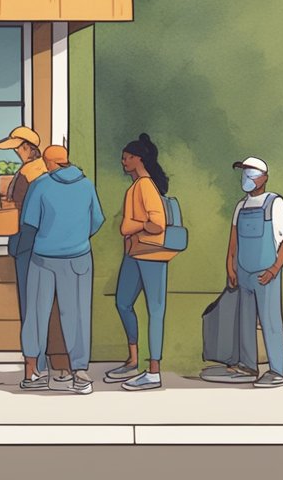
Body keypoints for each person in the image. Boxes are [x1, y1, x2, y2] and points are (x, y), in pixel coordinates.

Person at [18, 145, 105, 395]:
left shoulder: (41, 185)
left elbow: (29, 222)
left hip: (43, 258)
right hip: (78, 258)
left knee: (36, 313)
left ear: (50, 163)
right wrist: (77, 237)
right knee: (77, 314)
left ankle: (33, 371)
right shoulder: (86, 185)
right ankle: (80, 373)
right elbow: (97, 219)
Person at [0, 126, 69, 382]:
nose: (16, 151)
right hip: (42, 243)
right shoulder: (43, 172)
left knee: (31, 304)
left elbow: (24, 211)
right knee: (42, 304)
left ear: (28, 147)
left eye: (18, 147)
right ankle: (41, 360)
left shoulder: (30, 172)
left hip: (28, 243)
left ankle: (36, 363)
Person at [106, 133, 171, 392]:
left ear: (138, 159)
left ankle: (153, 371)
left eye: (126, 158)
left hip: (151, 256)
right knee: (123, 302)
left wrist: (130, 226)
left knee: (155, 310)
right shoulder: (135, 186)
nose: (122, 162)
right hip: (134, 255)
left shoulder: (145, 186)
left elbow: (158, 224)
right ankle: (133, 360)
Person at [227, 156, 283, 388]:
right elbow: (234, 238)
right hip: (243, 271)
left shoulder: (274, 203)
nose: (246, 178)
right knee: (245, 321)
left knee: (270, 320)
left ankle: (277, 370)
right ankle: (247, 366)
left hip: (266, 273)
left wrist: (275, 269)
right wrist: (230, 265)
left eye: (251, 174)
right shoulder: (241, 205)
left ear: (263, 178)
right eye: (244, 173)